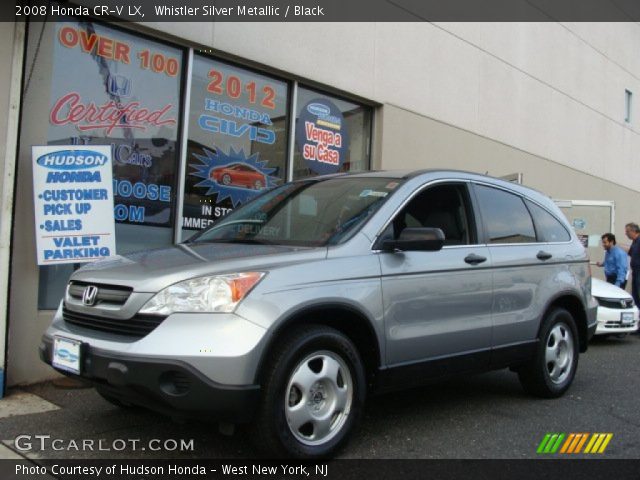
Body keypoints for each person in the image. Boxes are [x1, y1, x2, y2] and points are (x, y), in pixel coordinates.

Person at [624, 222, 640, 308]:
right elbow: (631, 253)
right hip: (635, 272)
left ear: (633, 231)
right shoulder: (634, 242)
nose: (626, 234)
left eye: (627, 231)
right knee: (635, 294)